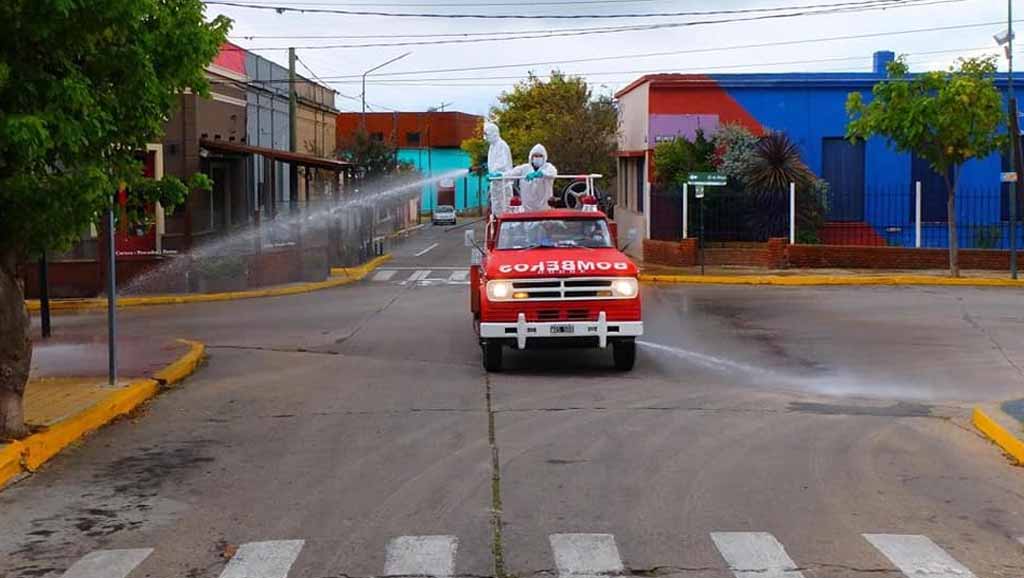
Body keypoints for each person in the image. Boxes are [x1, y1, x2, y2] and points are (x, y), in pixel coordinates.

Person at [506, 144, 558, 212]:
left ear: (544, 157)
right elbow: (510, 174)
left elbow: (553, 172)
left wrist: (540, 174)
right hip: (527, 209)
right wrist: (500, 175)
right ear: (531, 157)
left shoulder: (548, 167)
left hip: (545, 208)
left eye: (540, 156)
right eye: (535, 156)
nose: (538, 158)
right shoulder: (524, 168)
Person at [483, 122, 513, 217]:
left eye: (487, 134)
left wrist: (495, 173)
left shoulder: (501, 145)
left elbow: (503, 163)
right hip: (495, 183)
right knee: (496, 207)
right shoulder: (492, 146)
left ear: (494, 133)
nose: (486, 137)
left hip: (503, 182)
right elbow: (493, 162)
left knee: (505, 206)